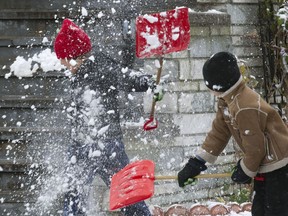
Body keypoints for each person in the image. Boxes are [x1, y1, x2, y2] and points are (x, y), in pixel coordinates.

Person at [54, 18, 162, 216]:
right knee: (74, 196)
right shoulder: (79, 71)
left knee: (126, 193)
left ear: (74, 55)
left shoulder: (100, 66)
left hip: (107, 145)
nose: (63, 64)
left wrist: (148, 83)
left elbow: (127, 76)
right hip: (81, 144)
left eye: (64, 59)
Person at [177, 51, 288, 216]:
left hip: (278, 166)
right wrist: (197, 163)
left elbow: (256, 148)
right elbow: (219, 133)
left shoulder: (244, 106)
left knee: (275, 211)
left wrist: (244, 170)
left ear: (218, 85)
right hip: (265, 165)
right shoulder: (227, 100)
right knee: (259, 210)